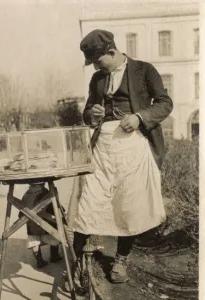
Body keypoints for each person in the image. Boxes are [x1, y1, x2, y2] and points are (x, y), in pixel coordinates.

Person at [70, 29, 173, 284]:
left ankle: (121, 259)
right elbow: (86, 112)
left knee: (127, 204)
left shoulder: (144, 70)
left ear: (112, 52)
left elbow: (164, 103)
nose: (95, 65)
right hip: (101, 148)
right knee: (91, 200)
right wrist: (91, 115)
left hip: (133, 147)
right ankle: (79, 260)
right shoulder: (97, 79)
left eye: (97, 60)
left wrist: (139, 117)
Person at [19, 183, 63, 268]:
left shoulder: (25, 195)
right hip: (45, 226)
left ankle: (39, 260)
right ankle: (54, 256)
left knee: (33, 238)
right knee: (55, 226)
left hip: (32, 228)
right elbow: (54, 209)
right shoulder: (46, 193)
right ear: (43, 183)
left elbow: (20, 214)